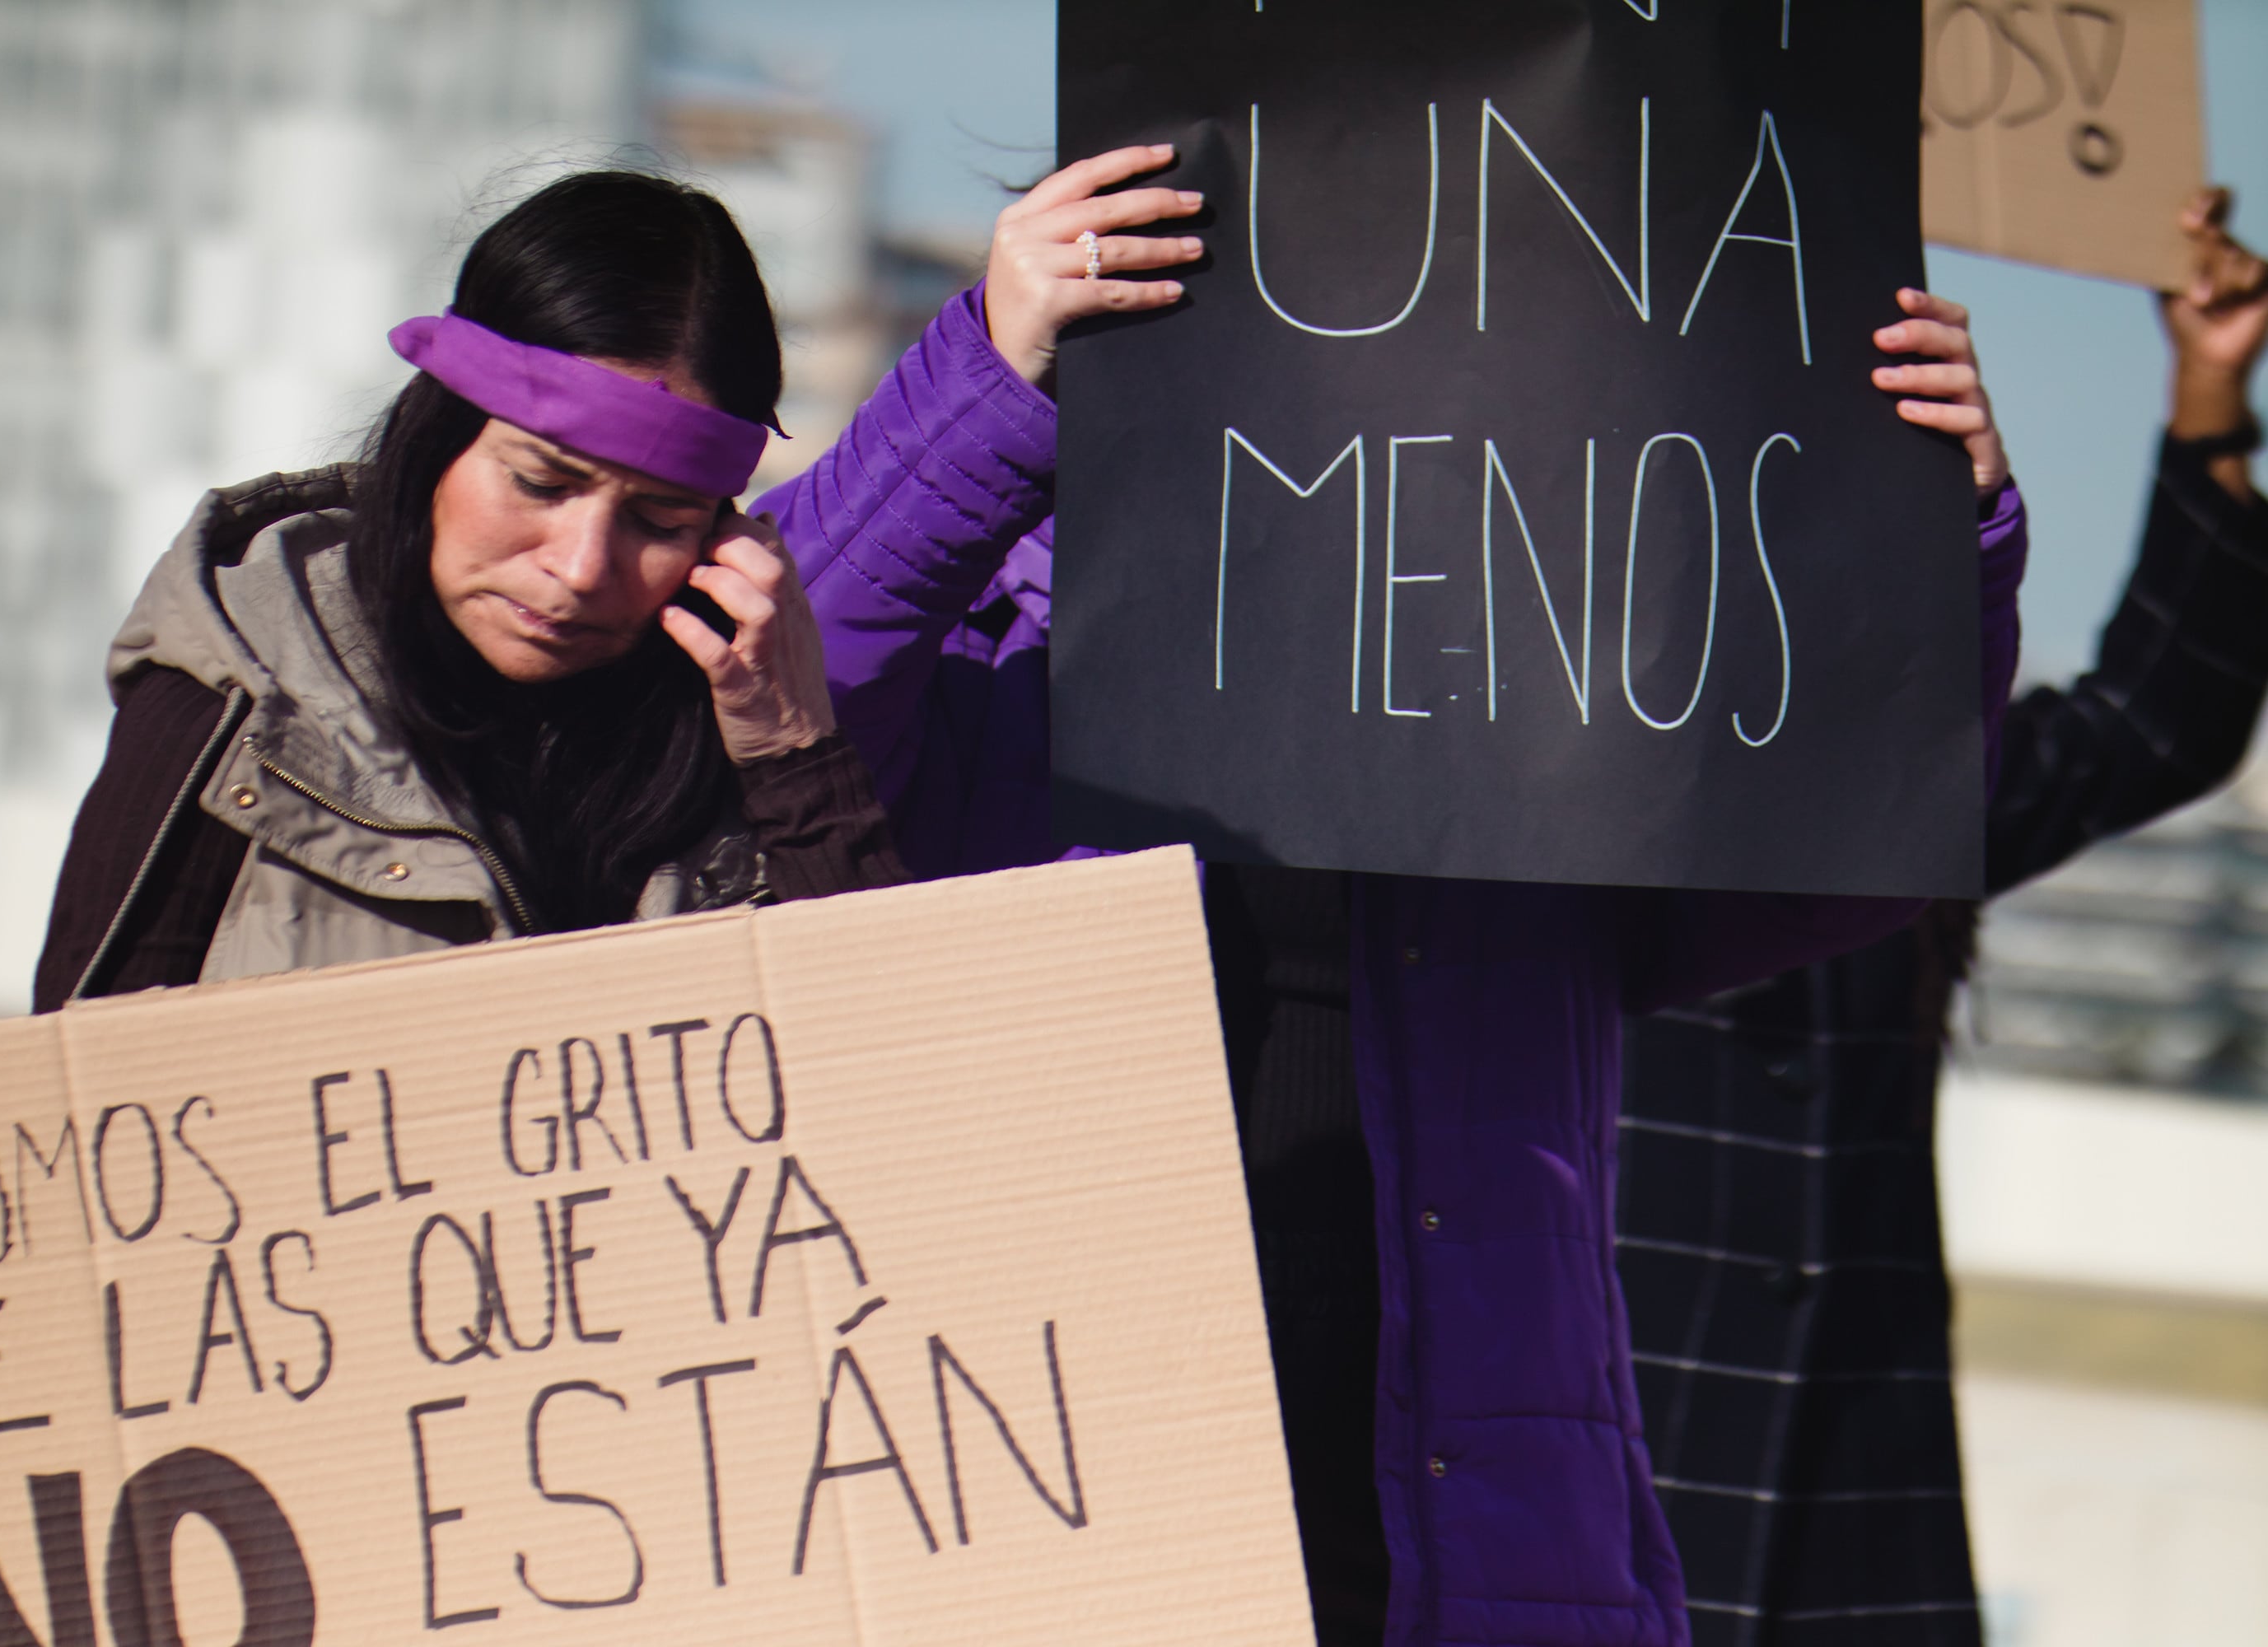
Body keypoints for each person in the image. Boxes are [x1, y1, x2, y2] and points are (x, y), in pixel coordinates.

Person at [780, 147, 2028, 1647]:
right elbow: (775, 700)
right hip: (1069, 1501)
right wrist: (990, 361)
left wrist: (1930, 538)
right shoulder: (1005, 582)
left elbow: (1832, 861)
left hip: (1457, 1533)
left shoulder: (1548, 645)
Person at [1617, 189, 2268, 1646]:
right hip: (1608, 1497)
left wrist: (2210, 400)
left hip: (1854, 1515)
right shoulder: (1524, 775)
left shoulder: (1903, 785)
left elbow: (2158, 720)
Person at [31, 165, 1141, 1006]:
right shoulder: (239, 687)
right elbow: (79, 1106)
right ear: (436, 443)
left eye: (658, 521)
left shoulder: (737, 734)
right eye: (539, 481)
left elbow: (878, 1074)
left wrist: (798, 757)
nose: (579, 570)